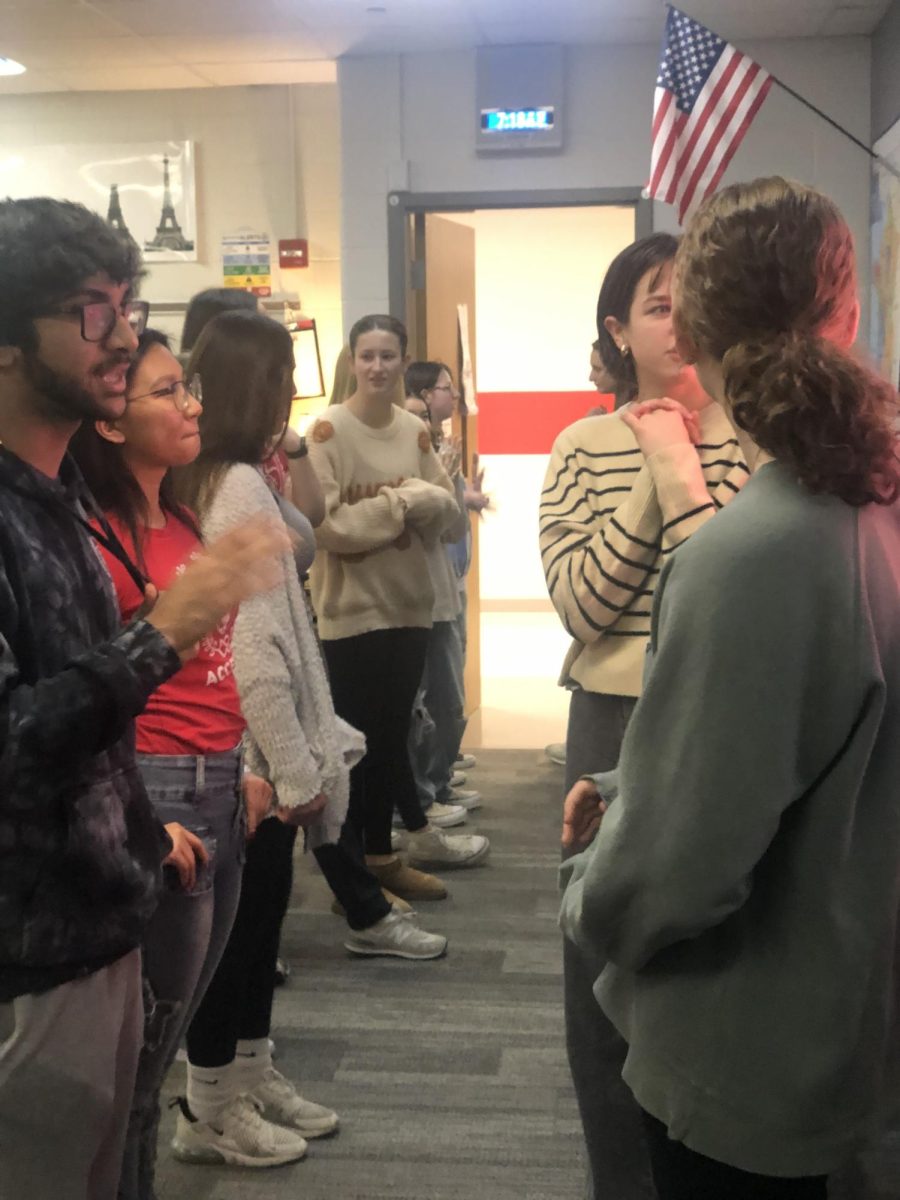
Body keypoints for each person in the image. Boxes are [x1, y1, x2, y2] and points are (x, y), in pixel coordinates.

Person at [561, 176, 900, 1199]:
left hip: (752, 1047)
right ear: (847, 310)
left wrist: (590, 896)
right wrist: (633, 790)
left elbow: (681, 869)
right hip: (844, 1005)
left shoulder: (760, 546)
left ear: (699, 331)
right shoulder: (868, 501)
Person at [0, 198, 288, 1199]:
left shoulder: (59, 500)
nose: (123, 335)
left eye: (126, 305)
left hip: (98, 917)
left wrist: (135, 832)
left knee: (121, 1154)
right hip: (32, 961)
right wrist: (169, 627)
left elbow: (83, 729)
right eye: (92, 310)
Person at [70, 328, 324, 1191]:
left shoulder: (184, 512)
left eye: (192, 388)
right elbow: (90, 698)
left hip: (218, 776)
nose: (192, 406)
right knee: (134, 1061)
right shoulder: (93, 537)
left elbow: (234, 653)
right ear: (109, 423)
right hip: (159, 783)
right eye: (169, 392)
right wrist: (139, 811)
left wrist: (252, 758)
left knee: (166, 1036)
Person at [540, 232, 754, 1200]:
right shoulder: (580, 446)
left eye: (691, 298)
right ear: (617, 330)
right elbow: (584, 606)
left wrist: (695, 463)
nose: (680, 320)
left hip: (731, 714)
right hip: (613, 718)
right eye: (656, 304)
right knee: (602, 967)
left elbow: (746, 605)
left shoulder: (759, 437)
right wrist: (658, 471)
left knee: (723, 956)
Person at [307, 315, 490, 904]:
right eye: (367, 356)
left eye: (389, 355)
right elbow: (330, 526)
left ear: (401, 358)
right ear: (353, 360)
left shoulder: (414, 431)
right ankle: (354, 876)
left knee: (390, 741)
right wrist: (405, 502)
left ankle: (383, 858)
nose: (378, 367)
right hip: (352, 611)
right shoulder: (327, 432)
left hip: (411, 609)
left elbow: (451, 515)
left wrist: (416, 502)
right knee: (355, 747)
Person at [403, 360, 481, 818]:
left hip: (445, 592)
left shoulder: (441, 459)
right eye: (447, 389)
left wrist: (453, 488)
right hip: (417, 599)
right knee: (423, 705)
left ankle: (436, 782)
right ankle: (422, 795)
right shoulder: (409, 465)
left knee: (447, 699)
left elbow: (450, 526)